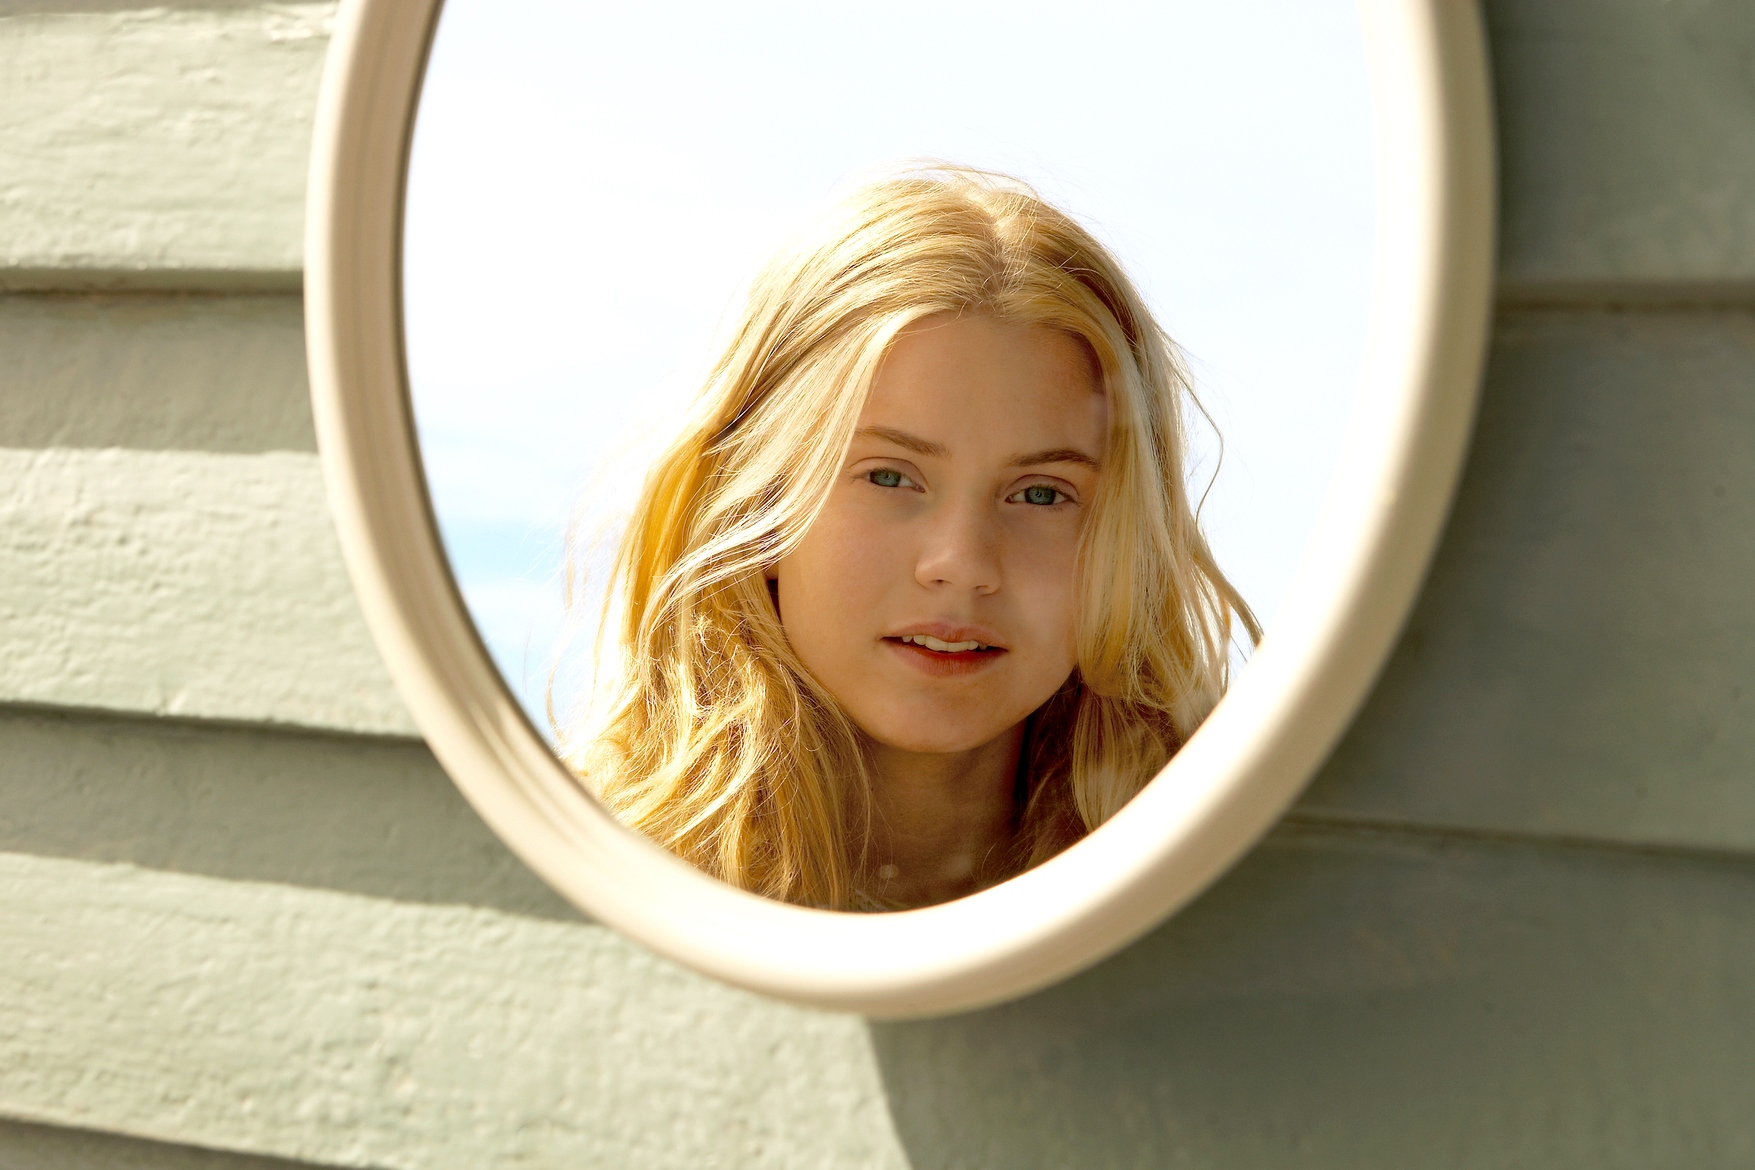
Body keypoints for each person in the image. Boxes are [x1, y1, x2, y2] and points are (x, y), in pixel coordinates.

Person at [554, 166, 1256, 911]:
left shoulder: (1232, 894)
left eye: (1042, 494)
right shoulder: (582, 874)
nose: (961, 565)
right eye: (890, 477)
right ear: (756, 493)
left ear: (1127, 538)